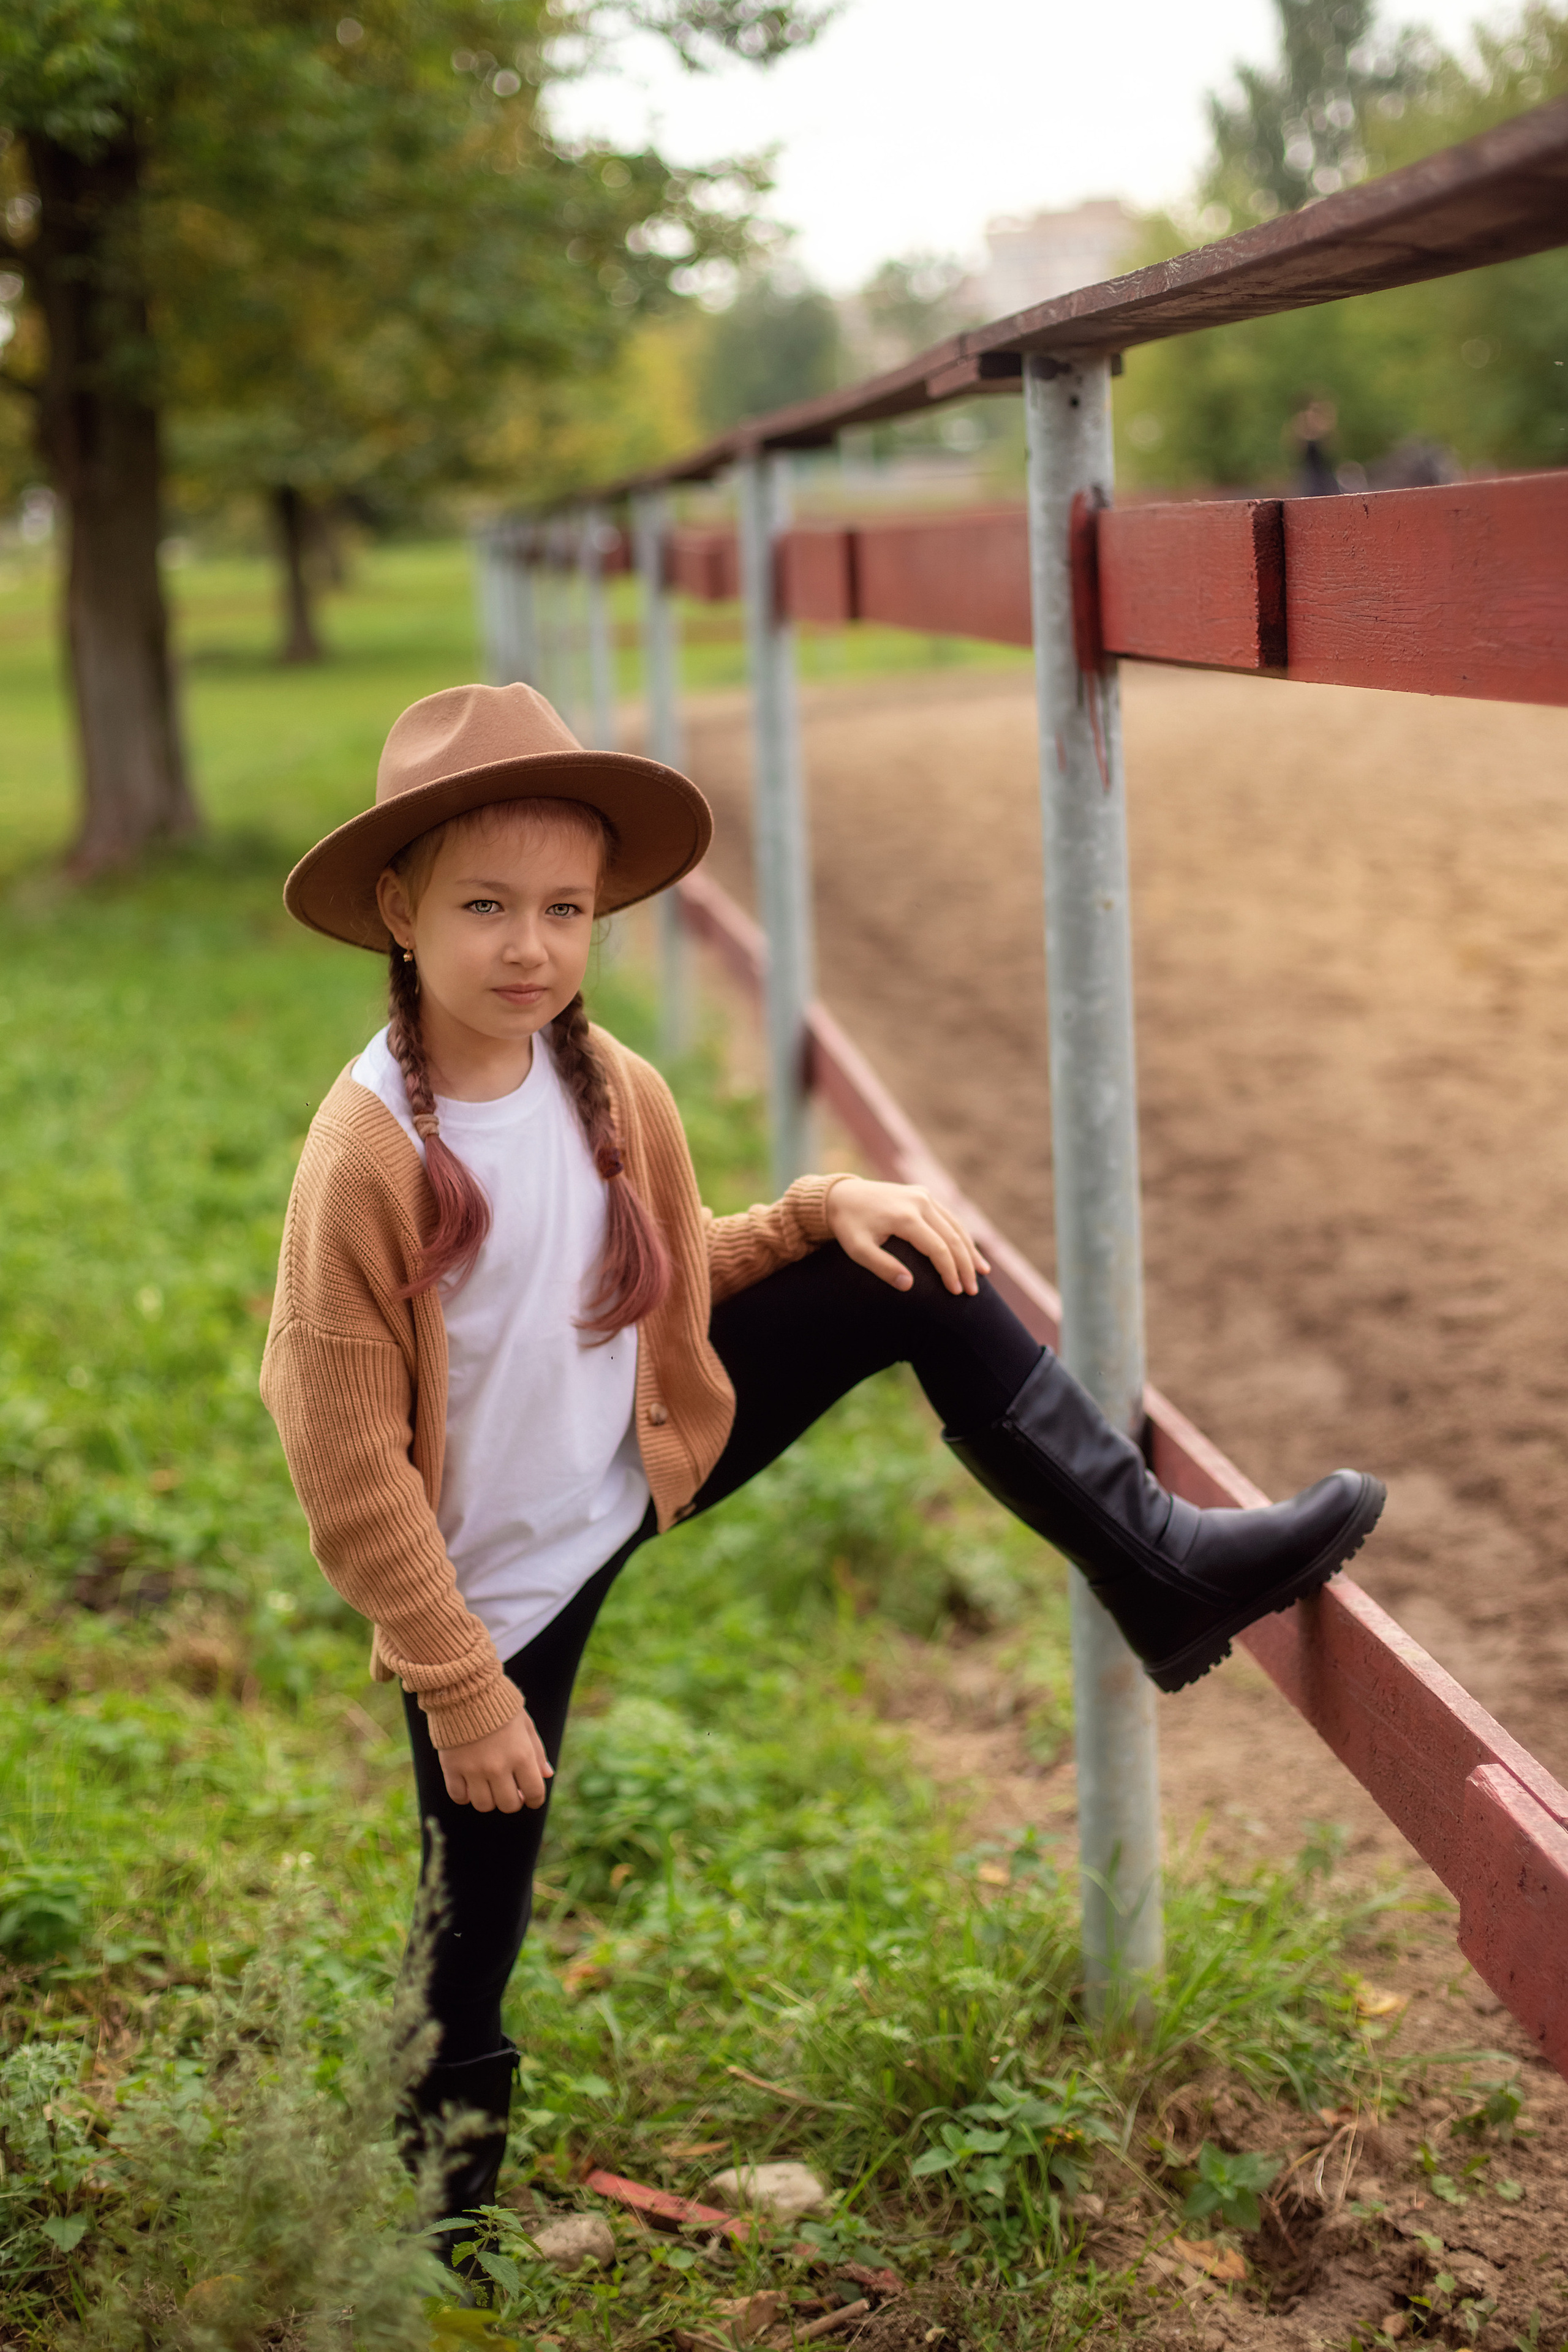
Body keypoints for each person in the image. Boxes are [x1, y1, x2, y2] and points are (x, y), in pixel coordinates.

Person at [260, 682, 1384, 2250]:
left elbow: (651, 1277)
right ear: (398, 909)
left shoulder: (612, 1092)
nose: (530, 945)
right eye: (485, 907)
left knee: (906, 1262)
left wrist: (810, 1214)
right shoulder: (374, 1151)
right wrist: (457, 1679)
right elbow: (342, 1456)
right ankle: (431, 2251)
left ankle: (1159, 1560)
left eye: (566, 909)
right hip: (487, 1590)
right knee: (474, 1929)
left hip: (626, 1469)